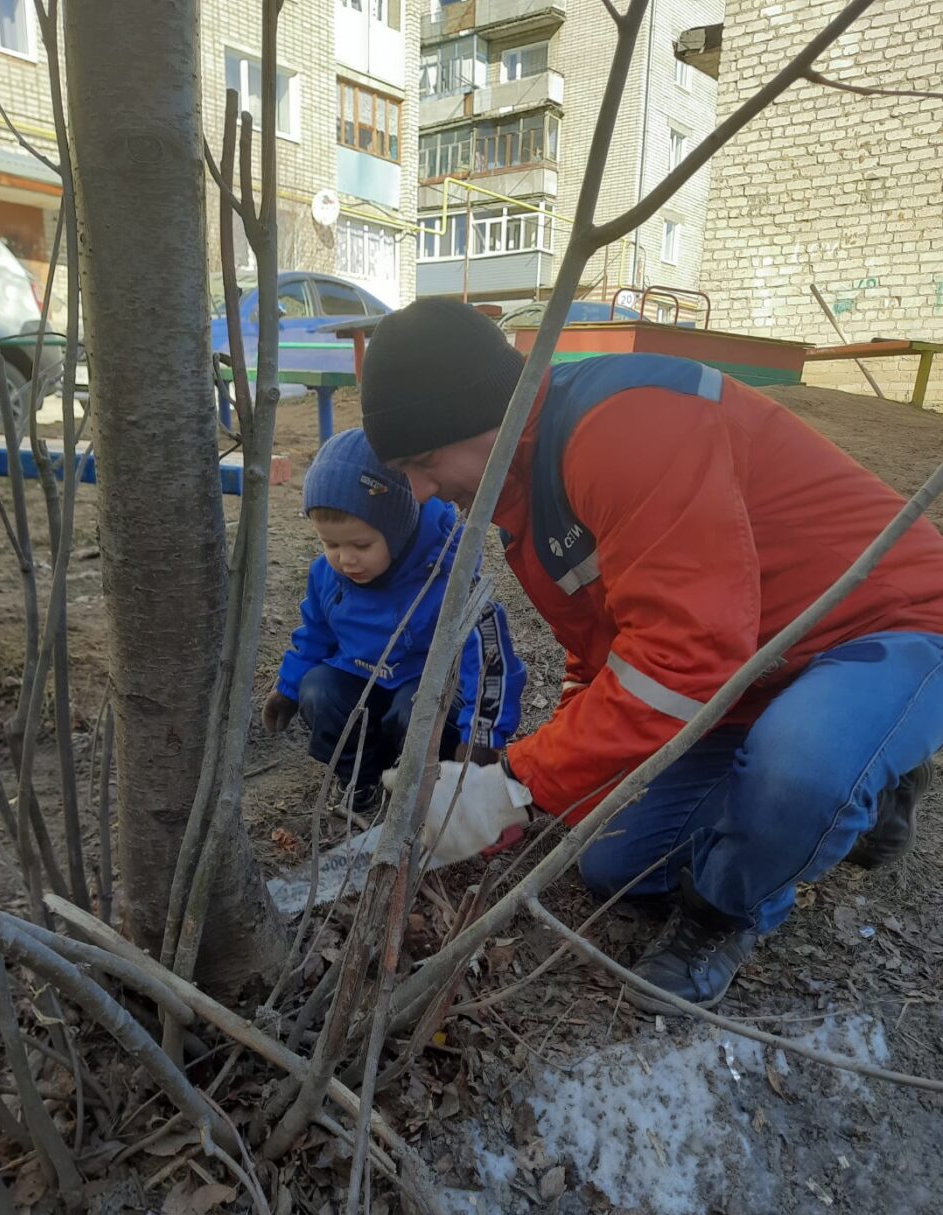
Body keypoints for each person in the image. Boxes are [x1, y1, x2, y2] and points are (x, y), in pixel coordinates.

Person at [359, 298, 943, 1013]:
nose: (421, 493)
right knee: (613, 862)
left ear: (489, 413)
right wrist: (540, 790)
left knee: (800, 772)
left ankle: (727, 914)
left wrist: (518, 778)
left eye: (421, 462)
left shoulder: (623, 425)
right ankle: (835, 790)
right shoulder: (518, 487)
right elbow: (604, 658)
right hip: (751, 670)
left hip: (886, 627)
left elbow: (686, 658)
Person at [262, 427, 526, 813]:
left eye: (361, 545)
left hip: (421, 693)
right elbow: (314, 636)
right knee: (318, 688)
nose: (345, 559)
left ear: (398, 530)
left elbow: (488, 665)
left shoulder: (445, 582)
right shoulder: (327, 575)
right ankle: (360, 782)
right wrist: (288, 687)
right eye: (331, 544)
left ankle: (425, 789)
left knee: (418, 706)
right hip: (362, 687)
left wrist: (481, 738)